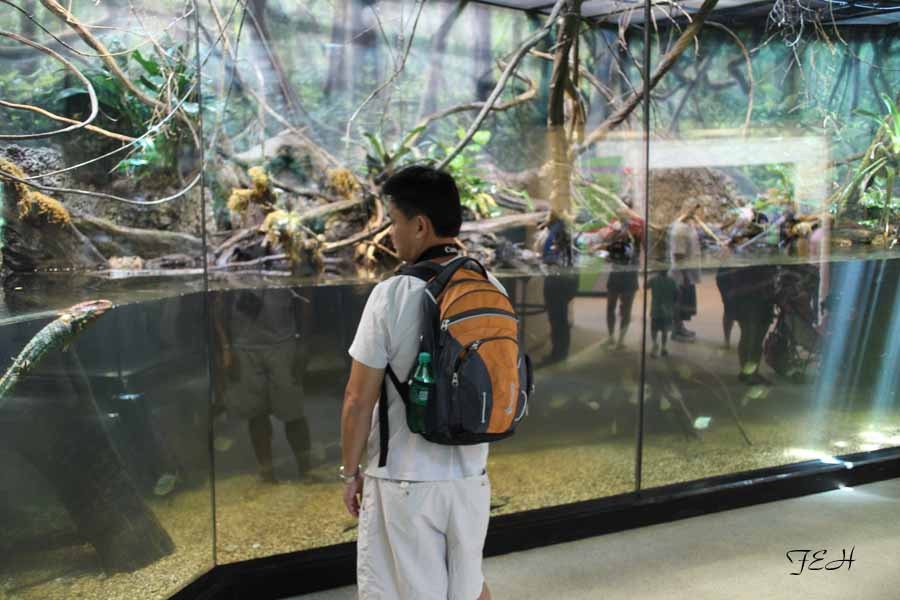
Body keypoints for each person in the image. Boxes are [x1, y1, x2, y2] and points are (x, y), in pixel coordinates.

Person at [341, 165, 494, 600]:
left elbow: (357, 399)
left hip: (404, 483)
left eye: (393, 220)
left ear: (420, 225)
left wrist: (349, 473)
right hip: (471, 478)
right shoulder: (489, 284)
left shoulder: (392, 294)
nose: (391, 233)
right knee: (467, 588)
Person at [214, 287, 312, 483]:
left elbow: (305, 299)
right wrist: (225, 347)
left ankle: (305, 470)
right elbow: (216, 305)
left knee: (293, 411)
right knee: (256, 413)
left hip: (283, 343)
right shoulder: (234, 258)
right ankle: (267, 472)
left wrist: (303, 343)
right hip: (243, 347)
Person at [601, 205, 644, 350]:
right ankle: (612, 338)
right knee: (611, 307)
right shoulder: (615, 230)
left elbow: (637, 242)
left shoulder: (635, 229)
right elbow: (608, 249)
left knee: (625, 309)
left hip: (628, 273)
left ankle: (619, 340)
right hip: (618, 272)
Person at [540, 216, 578, 366]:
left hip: (560, 280)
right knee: (559, 319)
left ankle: (559, 355)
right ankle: (559, 353)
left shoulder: (562, 227)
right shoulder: (561, 226)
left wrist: (548, 258)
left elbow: (559, 255)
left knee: (558, 319)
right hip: (563, 280)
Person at [668, 204, 703, 342]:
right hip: (681, 274)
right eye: (694, 209)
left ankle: (680, 328)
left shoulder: (688, 226)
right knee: (679, 302)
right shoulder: (679, 229)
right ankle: (676, 332)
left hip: (688, 272)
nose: (697, 212)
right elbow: (678, 254)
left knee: (683, 303)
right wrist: (685, 275)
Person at [648, 269, 677, 357]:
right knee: (665, 329)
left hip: (655, 309)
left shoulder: (653, 280)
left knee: (654, 329)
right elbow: (678, 293)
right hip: (667, 310)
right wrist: (674, 303)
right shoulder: (672, 281)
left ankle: (654, 344)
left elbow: (645, 286)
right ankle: (664, 347)